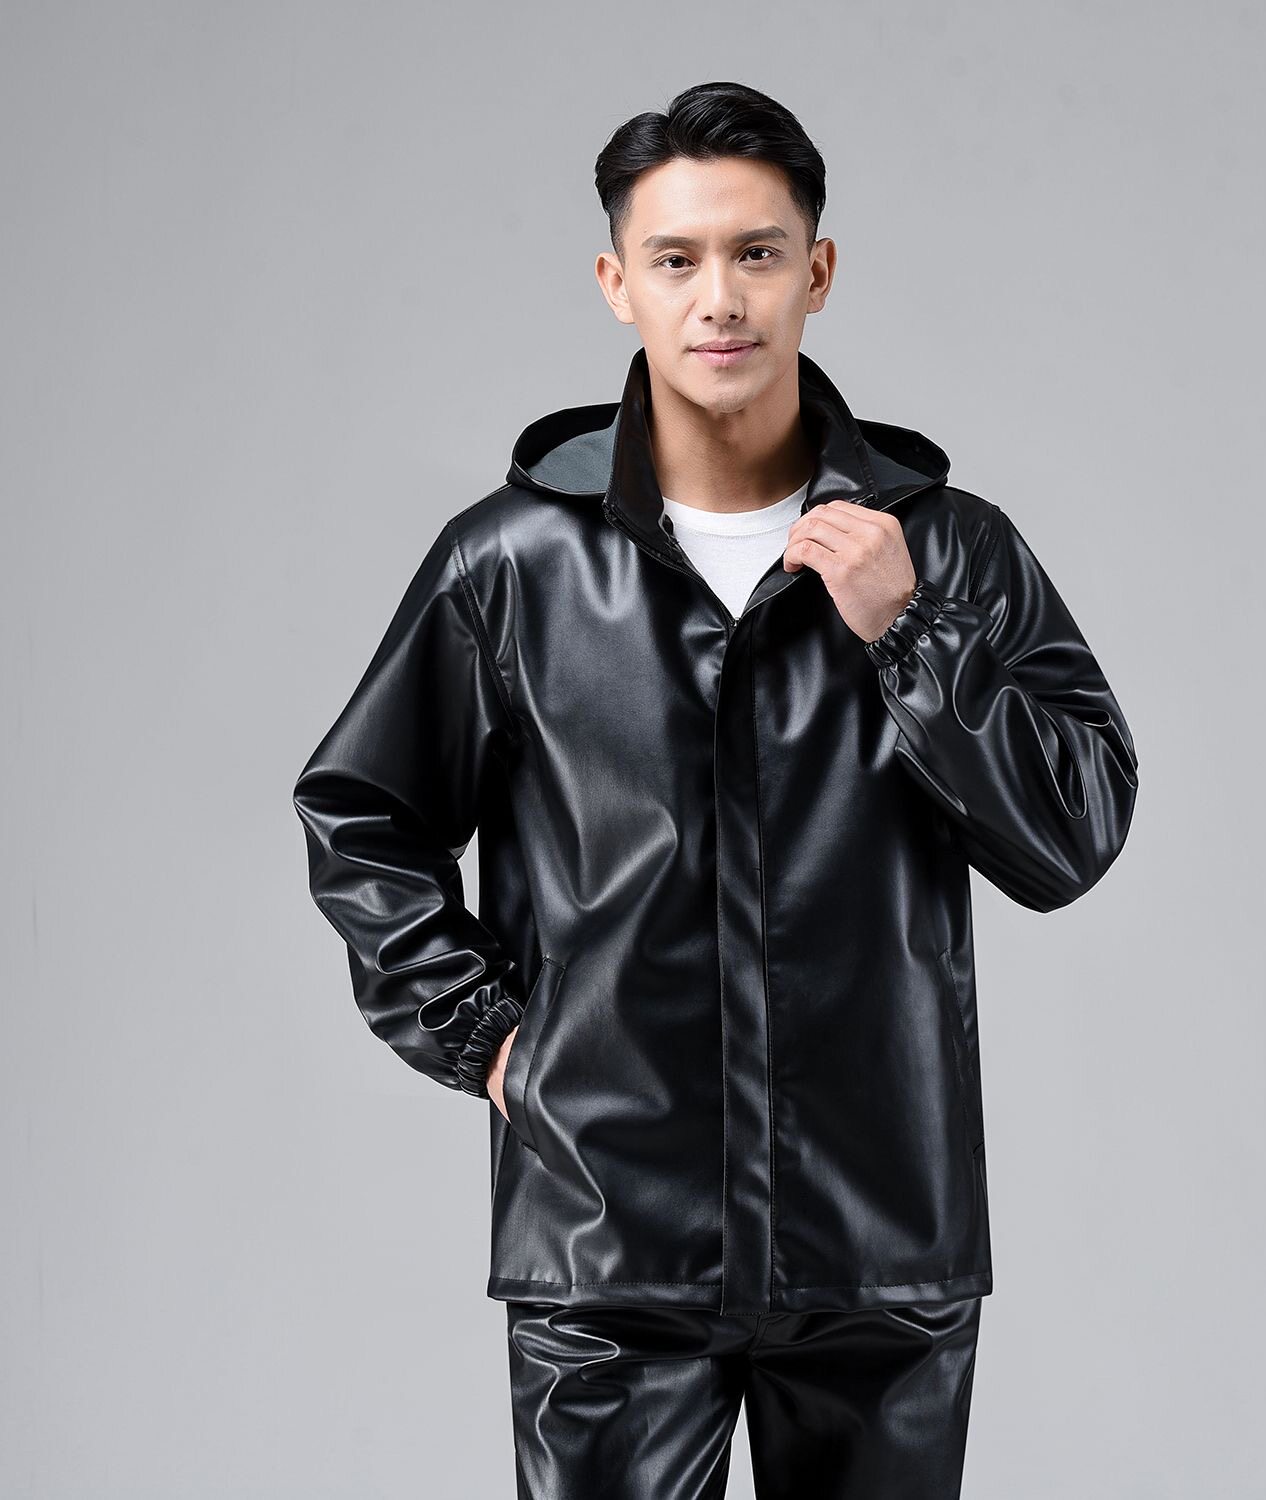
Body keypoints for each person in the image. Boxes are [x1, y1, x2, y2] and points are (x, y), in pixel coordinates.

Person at [292, 79, 1140, 1500]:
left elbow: (1073, 833)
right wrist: (490, 1038)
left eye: (757, 253)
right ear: (617, 282)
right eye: (676, 258)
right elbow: (362, 814)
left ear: (818, 271)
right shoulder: (514, 564)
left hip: (880, 1245)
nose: (720, 298)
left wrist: (910, 635)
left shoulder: (946, 551)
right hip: (608, 1239)